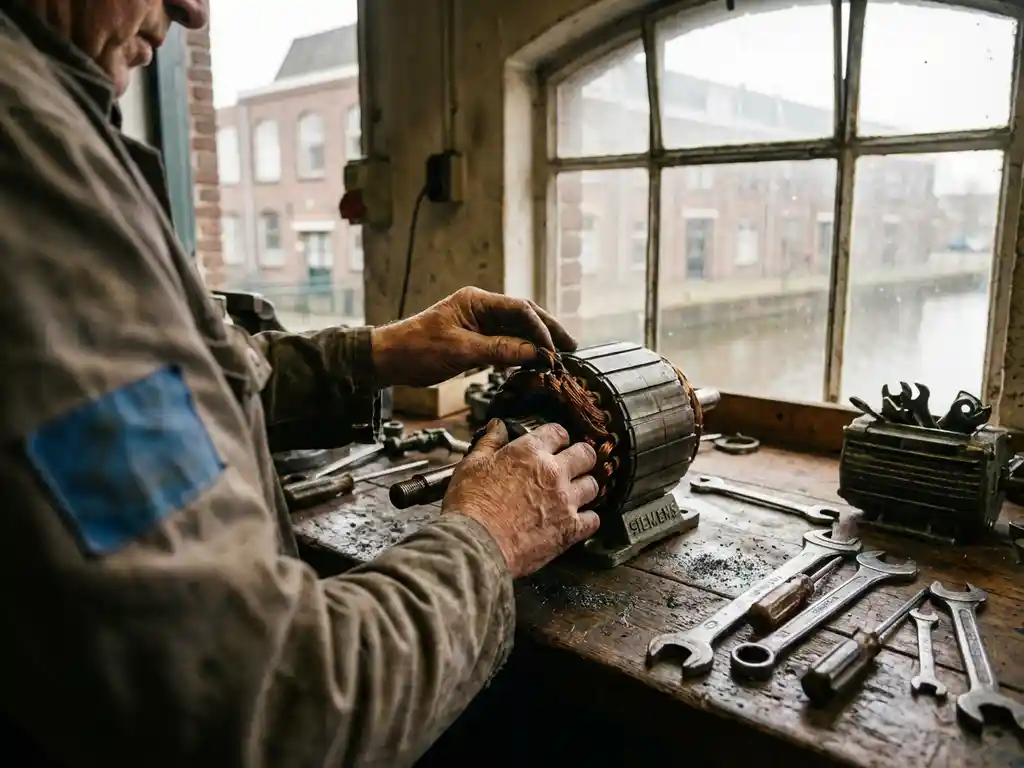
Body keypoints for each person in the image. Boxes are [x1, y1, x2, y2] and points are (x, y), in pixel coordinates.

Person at [0, 1, 602, 765]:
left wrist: (380, 352)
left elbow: (171, 396)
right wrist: (487, 538)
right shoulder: (31, 167)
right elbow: (271, 706)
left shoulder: (55, 121)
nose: (192, 9)